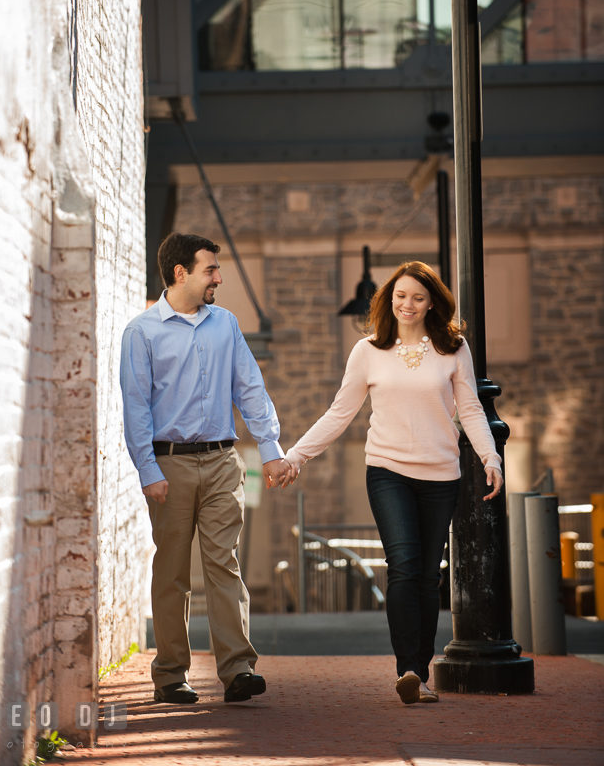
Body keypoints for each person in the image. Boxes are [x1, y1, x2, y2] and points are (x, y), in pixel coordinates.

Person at [283, 261, 503, 705]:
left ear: (432, 304)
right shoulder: (367, 351)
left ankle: (419, 674)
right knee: (403, 565)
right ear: (389, 299)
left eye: (418, 298)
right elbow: (339, 413)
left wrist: (490, 457)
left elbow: (472, 410)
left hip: (441, 474)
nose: (408, 304)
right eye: (401, 296)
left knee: (426, 575)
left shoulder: (453, 348)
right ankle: (407, 669)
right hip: (387, 471)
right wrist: (295, 456)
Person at [120, 233, 291, 705]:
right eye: (210, 269)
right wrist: (147, 469)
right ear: (181, 273)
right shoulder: (141, 332)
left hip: (221, 460)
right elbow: (135, 406)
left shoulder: (226, 325)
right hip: (169, 465)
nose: (219, 277)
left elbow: (249, 387)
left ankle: (238, 671)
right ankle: (171, 674)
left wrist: (271, 447)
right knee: (172, 571)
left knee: (224, 563)